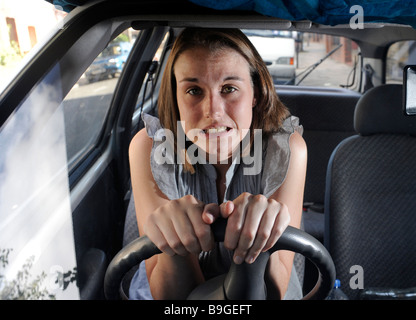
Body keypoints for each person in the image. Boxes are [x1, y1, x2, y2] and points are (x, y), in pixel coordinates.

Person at [128, 28, 307, 300]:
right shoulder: (149, 147)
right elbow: (165, 295)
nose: (213, 111)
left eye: (229, 89)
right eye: (194, 90)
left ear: (256, 93)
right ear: (175, 98)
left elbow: (277, 287)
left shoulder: (287, 149)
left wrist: (259, 239)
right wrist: (174, 246)